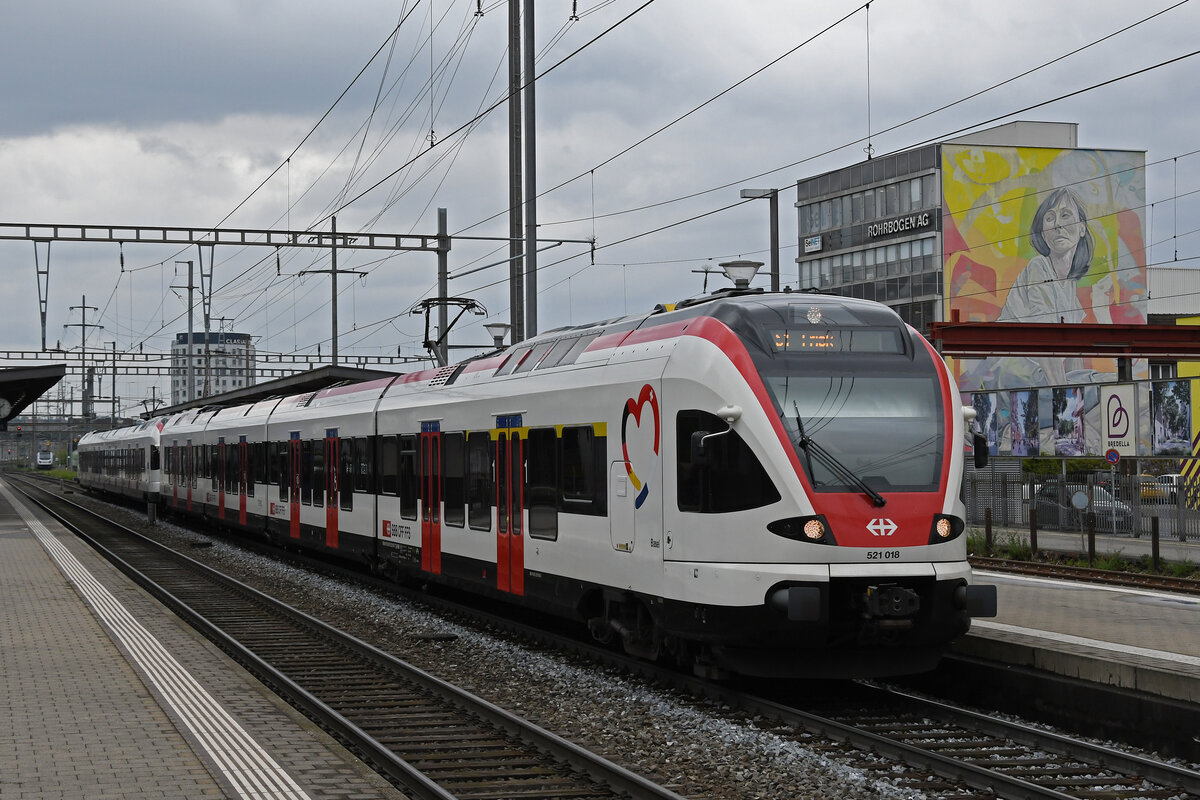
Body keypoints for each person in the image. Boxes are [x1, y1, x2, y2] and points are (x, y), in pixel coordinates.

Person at [997, 187, 1094, 324]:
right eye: (1049, 218)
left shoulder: (1070, 285)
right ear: (1043, 233)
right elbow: (1044, 327)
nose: (1057, 224)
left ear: (1082, 228)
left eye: (1065, 215)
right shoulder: (1038, 266)